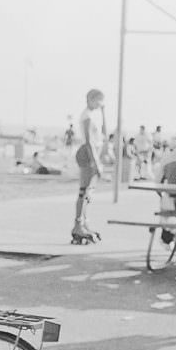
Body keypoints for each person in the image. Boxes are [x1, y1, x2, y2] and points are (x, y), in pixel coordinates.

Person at [73, 89, 105, 244]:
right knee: (83, 191)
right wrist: (96, 162)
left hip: (91, 153)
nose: (101, 104)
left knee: (88, 193)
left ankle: (84, 223)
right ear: (91, 99)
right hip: (87, 154)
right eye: (99, 100)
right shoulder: (87, 116)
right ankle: (78, 224)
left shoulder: (92, 116)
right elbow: (89, 141)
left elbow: (102, 134)